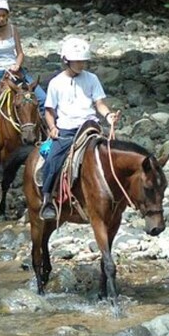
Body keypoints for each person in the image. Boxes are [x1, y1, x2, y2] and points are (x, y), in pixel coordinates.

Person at [39, 37, 120, 221]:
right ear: (66, 60)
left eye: (83, 60)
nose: (82, 64)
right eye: (78, 61)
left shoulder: (92, 79)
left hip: (90, 126)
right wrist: (52, 127)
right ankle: (47, 199)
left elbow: (99, 103)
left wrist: (109, 116)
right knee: (53, 159)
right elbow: (49, 111)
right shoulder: (56, 83)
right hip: (67, 129)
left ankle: (119, 194)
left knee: (114, 154)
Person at [0, 0, 46, 160]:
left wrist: (17, 65)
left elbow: (20, 52)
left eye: (4, 16)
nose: (1, 19)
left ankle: (46, 134)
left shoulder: (13, 29)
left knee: (42, 98)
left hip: (16, 70)